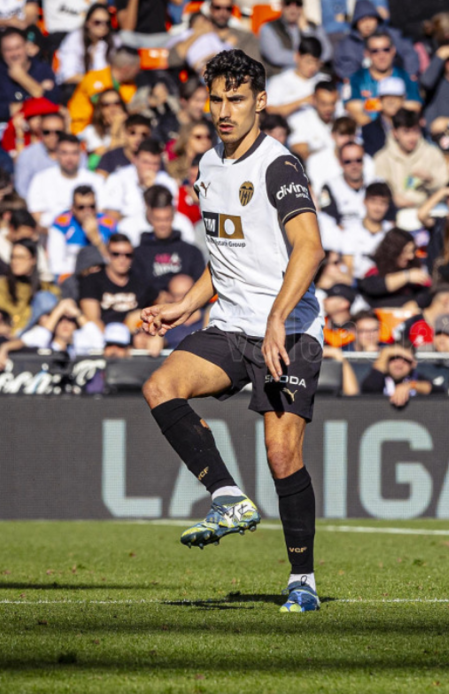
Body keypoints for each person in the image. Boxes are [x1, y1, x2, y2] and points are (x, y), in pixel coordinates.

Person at [139, 50, 327, 614]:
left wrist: (276, 318)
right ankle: (227, 496)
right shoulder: (207, 167)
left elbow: (311, 247)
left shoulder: (279, 166)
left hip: (288, 330)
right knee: (159, 386)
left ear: (261, 102)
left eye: (237, 99)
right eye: (217, 98)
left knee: (280, 454)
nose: (224, 110)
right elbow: (225, 260)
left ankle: (303, 581)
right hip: (230, 325)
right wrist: (183, 305)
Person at [373, 110, 449, 226]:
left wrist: (431, 180)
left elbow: (446, 189)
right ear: (395, 133)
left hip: (428, 215)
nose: (412, 138)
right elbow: (378, 190)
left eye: (415, 131)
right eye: (406, 132)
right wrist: (393, 199)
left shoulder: (433, 153)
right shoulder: (382, 158)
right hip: (394, 216)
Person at [131, 188, 205, 291]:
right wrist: (157, 296)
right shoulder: (139, 254)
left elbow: (200, 286)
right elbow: (135, 286)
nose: (162, 225)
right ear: (150, 218)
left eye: (166, 219)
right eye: (158, 219)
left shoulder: (191, 252)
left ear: (173, 217)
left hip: (185, 302)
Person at [342, 31, 423, 125]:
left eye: (386, 49)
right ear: (367, 53)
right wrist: (377, 132)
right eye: (375, 51)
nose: (381, 55)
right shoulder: (357, 79)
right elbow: (354, 110)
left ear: (393, 51)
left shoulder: (405, 77)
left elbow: (414, 107)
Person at [28, 133, 106, 227]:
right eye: (64, 153)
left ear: (81, 154)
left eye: (74, 153)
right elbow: (36, 213)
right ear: (56, 154)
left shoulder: (96, 181)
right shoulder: (40, 179)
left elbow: (102, 211)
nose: (69, 158)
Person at [0, 239, 61, 335]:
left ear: (33, 260)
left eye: (20, 257)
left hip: (34, 336)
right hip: (9, 336)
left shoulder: (47, 288)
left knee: (46, 298)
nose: (15, 262)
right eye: (13, 257)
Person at [259, 0, 333, 74]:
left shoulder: (313, 27)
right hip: (281, 76)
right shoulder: (269, 27)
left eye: (298, 4)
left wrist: (306, 30)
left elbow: (327, 53)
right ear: (281, 4)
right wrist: (307, 59)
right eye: (288, 3)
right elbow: (276, 56)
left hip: (311, 75)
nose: (293, 8)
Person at [102, 138, 179, 220]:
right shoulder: (117, 178)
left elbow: (169, 214)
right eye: (145, 162)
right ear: (135, 160)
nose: (150, 168)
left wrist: (151, 189)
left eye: (155, 163)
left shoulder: (168, 182)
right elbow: (111, 214)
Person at [47, 186, 115, 278]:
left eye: (91, 206)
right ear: (73, 208)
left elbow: (115, 262)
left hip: (101, 277)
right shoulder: (61, 225)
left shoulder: (109, 225)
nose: (87, 211)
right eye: (81, 207)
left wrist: (96, 239)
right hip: (71, 277)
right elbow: (56, 266)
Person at [0, 28, 58, 123]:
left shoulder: (42, 69)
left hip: (40, 126)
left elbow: (53, 102)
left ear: (26, 47)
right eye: (8, 50)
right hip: (7, 127)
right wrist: (37, 93)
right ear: (1, 52)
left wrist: (22, 78)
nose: (14, 54)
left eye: (17, 47)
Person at [357, 227, 431, 309]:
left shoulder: (414, 265)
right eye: (405, 252)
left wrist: (416, 302)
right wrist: (406, 276)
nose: (410, 256)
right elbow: (372, 286)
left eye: (412, 251)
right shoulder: (372, 265)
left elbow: (427, 291)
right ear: (393, 251)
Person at [55, 3, 120, 89]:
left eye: (107, 23)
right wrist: (95, 81)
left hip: (107, 88)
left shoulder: (115, 41)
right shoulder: (75, 39)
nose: (103, 26)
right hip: (78, 87)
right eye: (97, 22)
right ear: (88, 23)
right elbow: (68, 76)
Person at [338, 181, 394, 278]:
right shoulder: (351, 231)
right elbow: (348, 267)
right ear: (364, 202)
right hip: (358, 284)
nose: (377, 208)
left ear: (388, 206)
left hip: (386, 284)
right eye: (373, 201)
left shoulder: (392, 232)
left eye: (383, 203)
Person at [264, 37, 329, 118]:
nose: (312, 67)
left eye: (316, 63)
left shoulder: (325, 80)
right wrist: (304, 101)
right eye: (308, 61)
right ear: (297, 57)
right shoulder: (279, 81)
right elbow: (270, 111)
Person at [360, 342, 433, 405]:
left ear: (413, 363)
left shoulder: (416, 377)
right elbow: (369, 388)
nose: (399, 365)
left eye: (405, 360)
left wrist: (410, 385)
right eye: (394, 358)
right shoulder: (380, 378)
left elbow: (438, 390)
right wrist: (385, 352)